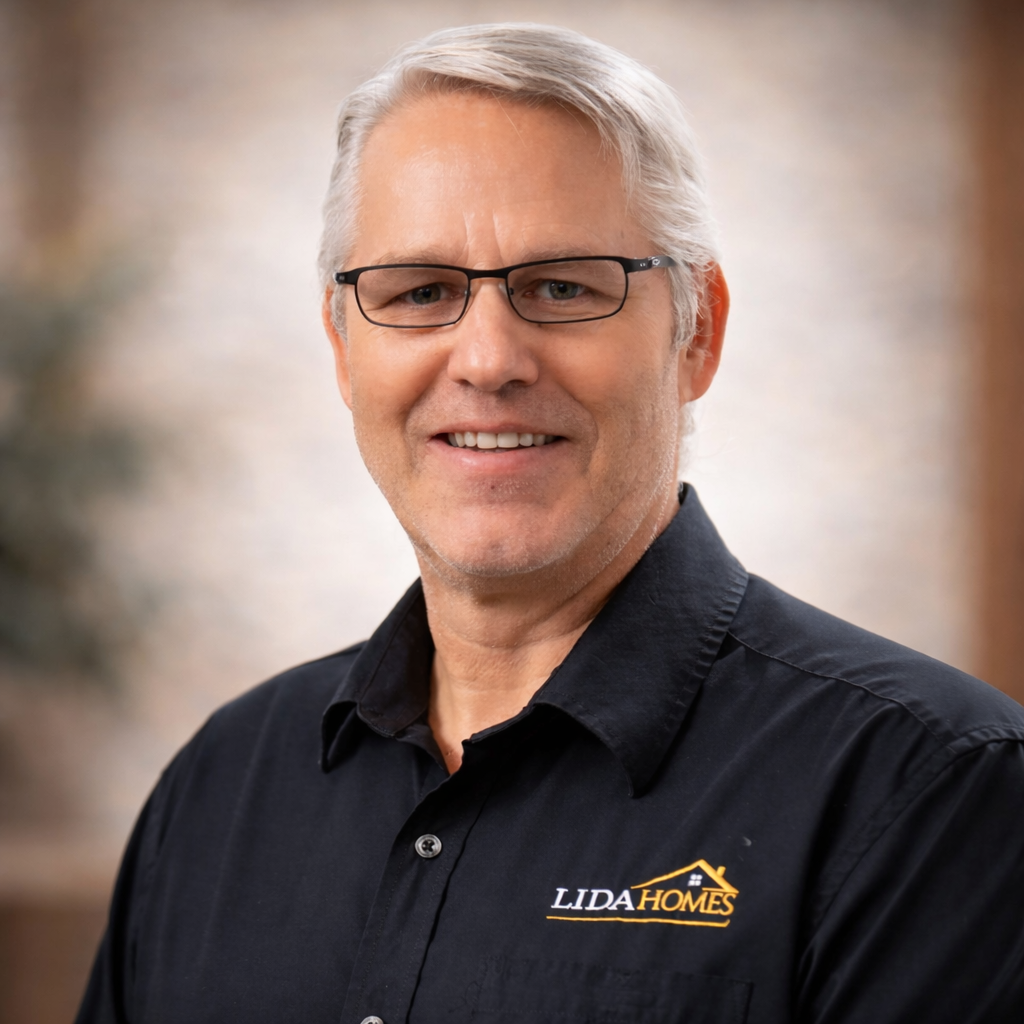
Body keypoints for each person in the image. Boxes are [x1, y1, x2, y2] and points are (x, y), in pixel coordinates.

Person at [77, 23, 1024, 1024]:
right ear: (343, 347)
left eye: (563, 287)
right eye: (422, 291)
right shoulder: (221, 785)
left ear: (695, 331)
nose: (488, 359)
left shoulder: (933, 790)